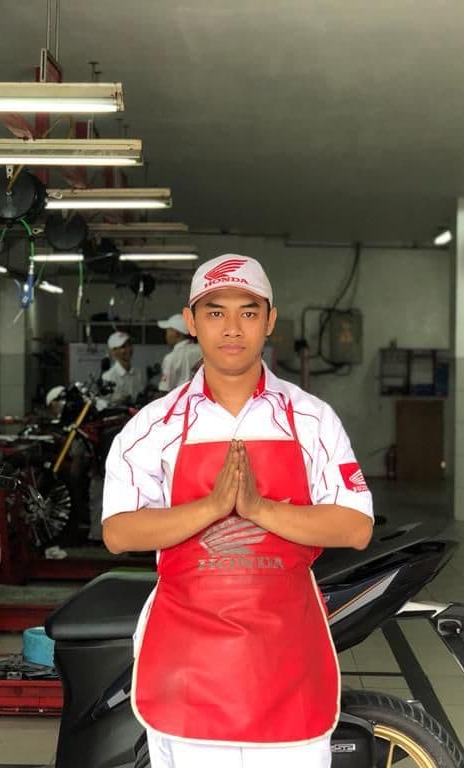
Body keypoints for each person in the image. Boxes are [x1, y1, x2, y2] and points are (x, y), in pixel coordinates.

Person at [101, 254, 374, 768]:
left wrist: (256, 507)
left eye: (248, 312)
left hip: (286, 659)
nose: (232, 328)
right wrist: (211, 506)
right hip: (187, 664)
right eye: (215, 312)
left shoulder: (312, 419)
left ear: (270, 321)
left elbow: (355, 525)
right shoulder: (153, 426)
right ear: (192, 321)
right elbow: (119, 531)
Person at [156, 313, 202, 392]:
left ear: (176, 333)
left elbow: (164, 390)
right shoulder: (203, 351)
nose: (166, 336)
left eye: (168, 331)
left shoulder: (171, 358)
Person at [101, 331, 143, 405]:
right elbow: (104, 405)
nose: (128, 349)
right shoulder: (108, 376)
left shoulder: (138, 372)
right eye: (123, 347)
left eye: (130, 345)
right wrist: (119, 402)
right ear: (114, 351)